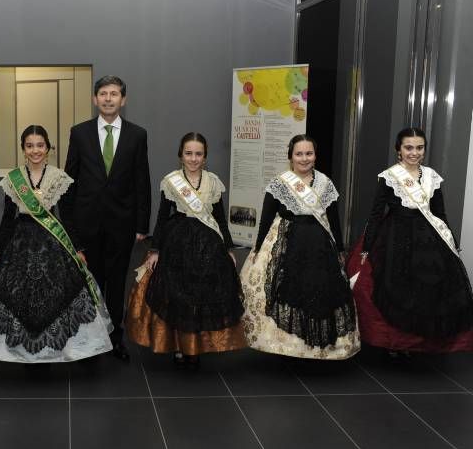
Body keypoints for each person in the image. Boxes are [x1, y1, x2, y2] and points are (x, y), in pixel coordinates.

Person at [0, 125, 113, 363]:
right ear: (23, 149)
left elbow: (68, 217)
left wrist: (78, 248)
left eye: (40, 145)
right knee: (18, 295)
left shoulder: (60, 178)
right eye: (30, 146)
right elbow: (7, 219)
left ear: (48, 148)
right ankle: (26, 350)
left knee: (59, 294)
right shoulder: (13, 179)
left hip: (52, 241)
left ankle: (58, 349)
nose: (35, 150)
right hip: (20, 241)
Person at [346, 127, 473, 353]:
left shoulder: (432, 177)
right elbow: (376, 213)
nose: (414, 152)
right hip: (395, 237)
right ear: (399, 150)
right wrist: (366, 249)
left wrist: (452, 242)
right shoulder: (390, 176)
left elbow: (440, 214)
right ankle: (396, 342)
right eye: (409, 147)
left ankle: (419, 342)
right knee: (396, 288)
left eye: (419, 147)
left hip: (428, 238)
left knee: (429, 289)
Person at [126, 133, 245, 368]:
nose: (193, 158)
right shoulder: (172, 181)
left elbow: (220, 219)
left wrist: (229, 248)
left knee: (202, 295)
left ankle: (197, 346)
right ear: (181, 155)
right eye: (188, 153)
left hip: (207, 245)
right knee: (177, 296)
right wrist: (156, 250)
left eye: (198, 154)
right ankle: (179, 345)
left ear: (205, 156)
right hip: (176, 242)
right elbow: (161, 218)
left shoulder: (213, 181)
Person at [240, 134, 359, 359]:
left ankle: (315, 349)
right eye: (299, 154)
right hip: (287, 242)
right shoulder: (279, 183)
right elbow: (266, 218)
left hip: (320, 246)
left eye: (309, 153)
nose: (304, 158)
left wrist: (340, 249)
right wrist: (257, 249)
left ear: (315, 155)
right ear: (290, 157)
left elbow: (333, 220)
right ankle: (287, 346)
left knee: (321, 292)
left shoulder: (325, 184)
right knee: (287, 290)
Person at [62, 75, 151, 361]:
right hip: (87, 222)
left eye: (114, 94)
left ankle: (115, 337)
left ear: (123, 100)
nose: (109, 98)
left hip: (123, 223)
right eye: (103, 93)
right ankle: (91, 338)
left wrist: (141, 225)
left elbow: (142, 181)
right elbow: (69, 181)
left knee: (116, 282)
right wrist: (70, 227)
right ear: (95, 99)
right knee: (91, 281)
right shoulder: (79, 133)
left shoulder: (138, 134)